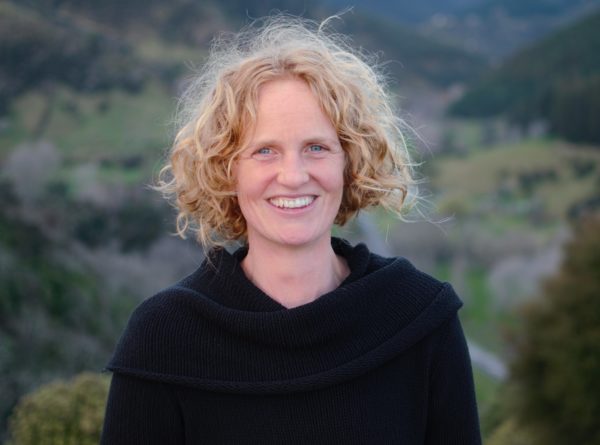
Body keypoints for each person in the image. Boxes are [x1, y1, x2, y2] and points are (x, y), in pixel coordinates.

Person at [100, 14, 481, 445]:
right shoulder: (164, 336)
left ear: (350, 161)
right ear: (227, 170)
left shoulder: (421, 316)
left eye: (316, 147)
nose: (294, 176)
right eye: (265, 151)